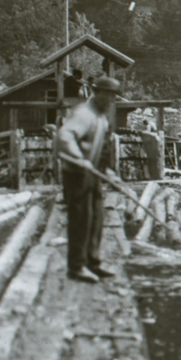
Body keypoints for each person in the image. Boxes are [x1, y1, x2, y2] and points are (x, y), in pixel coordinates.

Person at [56, 75, 121, 284]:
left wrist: (107, 170)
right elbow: (65, 136)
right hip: (77, 174)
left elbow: (103, 148)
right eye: (107, 95)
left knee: (96, 220)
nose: (111, 100)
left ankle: (93, 262)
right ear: (97, 93)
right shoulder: (84, 114)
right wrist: (78, 159)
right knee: (81, 221)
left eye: (113, 97)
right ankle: (76, 267)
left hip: (92, 174)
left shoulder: (101, 117)